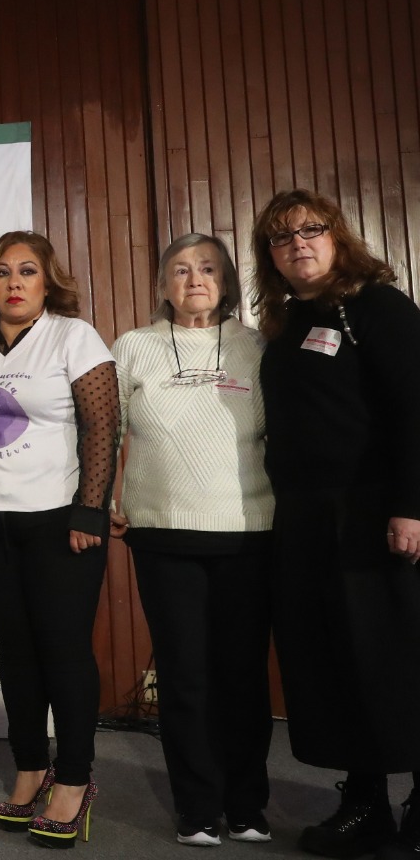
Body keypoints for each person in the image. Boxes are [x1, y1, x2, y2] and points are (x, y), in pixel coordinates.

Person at [251, 189, 420, 860]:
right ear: (270, 255)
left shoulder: (378, 307)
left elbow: (415, 409)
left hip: (375, 513)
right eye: (282, 237)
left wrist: (411, 504)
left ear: (337, 236)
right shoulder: (289, 321)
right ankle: (366, 803)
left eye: (310, 230)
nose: (298, 244)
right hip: (306, 518)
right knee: (337, 662)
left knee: (395, 658)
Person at [0, 230, 118, 848]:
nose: (14, 282)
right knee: (16, 653)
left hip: (59, 524)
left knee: (63, 652)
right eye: (2, 272)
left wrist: (90, 511)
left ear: (48, 281)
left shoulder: (73, 336)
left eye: (26, 271)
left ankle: (73, 779)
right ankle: (29, 769)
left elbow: (103, 425)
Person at [109, 234, 274, 846]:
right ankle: (198, 808)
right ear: (162, 284)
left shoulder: (256, 345)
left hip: (247, 530)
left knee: (242, 675)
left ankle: (247, 805)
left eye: (207, 268)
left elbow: (281, 431)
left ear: (225, 281)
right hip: (162, 532)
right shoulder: (134, 346)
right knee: (184, 676)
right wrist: (103, 499)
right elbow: (106, 427)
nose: (195, 279)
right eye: (180, 270)